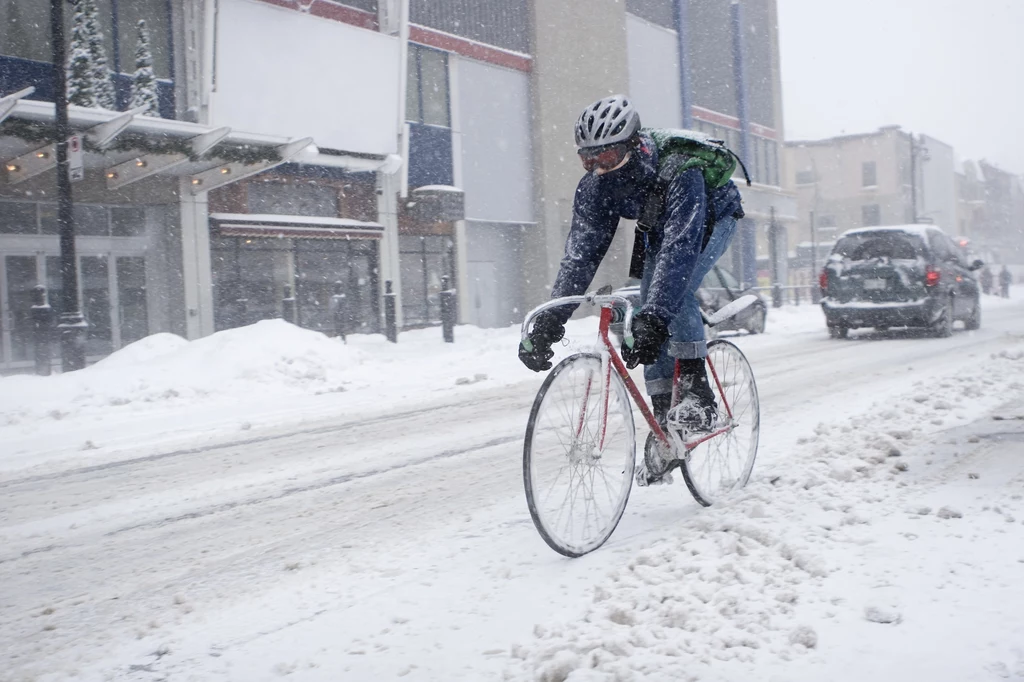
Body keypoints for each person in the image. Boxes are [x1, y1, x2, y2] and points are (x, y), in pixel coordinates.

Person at [518, 95, 745, 477]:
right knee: (644, 306)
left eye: (606, 158)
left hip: (711, 215)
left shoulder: (679, 171)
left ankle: (697, 393)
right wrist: (549, 322)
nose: (598, 169)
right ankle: (664, 428)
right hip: (659, 222)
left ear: (633, 146)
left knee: (676, 291)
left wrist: (657, 318)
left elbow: (680, 250)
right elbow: (580, 257)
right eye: (588, 160)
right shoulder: (594, 189)